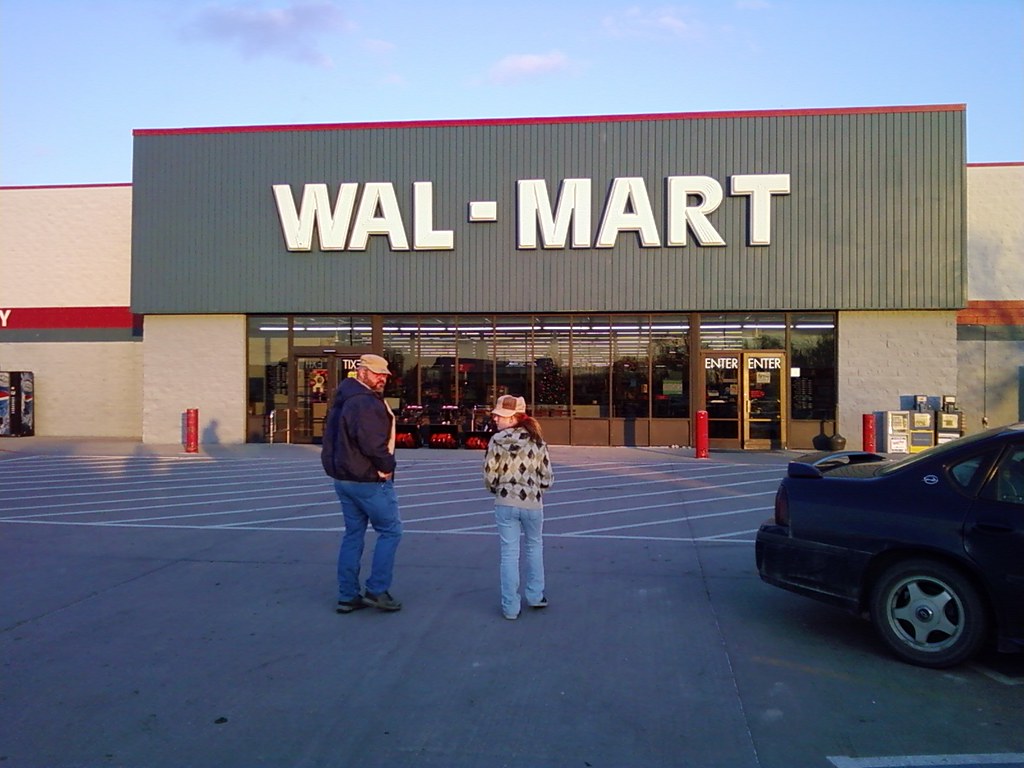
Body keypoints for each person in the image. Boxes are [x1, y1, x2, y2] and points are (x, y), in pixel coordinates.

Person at [321, 354, 403, 613]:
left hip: (343, 478)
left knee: (353, 535)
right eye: (377, 374)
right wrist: (387, 467)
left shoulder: (342, 398)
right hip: (367, 479)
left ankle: (347, 595)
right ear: (362, 371)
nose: (382, 379)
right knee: (390, 531)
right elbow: (373, 444)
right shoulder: (365, 402)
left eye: (384, 375)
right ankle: (377, 590)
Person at [482, 395, 554, 620]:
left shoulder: (496, 441)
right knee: (534, 547)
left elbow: (489, 475)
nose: (495, 418)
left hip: (505, 502)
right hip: (532, 503)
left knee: (509, 553)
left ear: (513, 418)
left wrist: (498, 489)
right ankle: (535, 595)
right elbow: (547, 477)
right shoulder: (537, 441)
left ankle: (510, 607)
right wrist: (536, 489)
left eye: (500, 415)